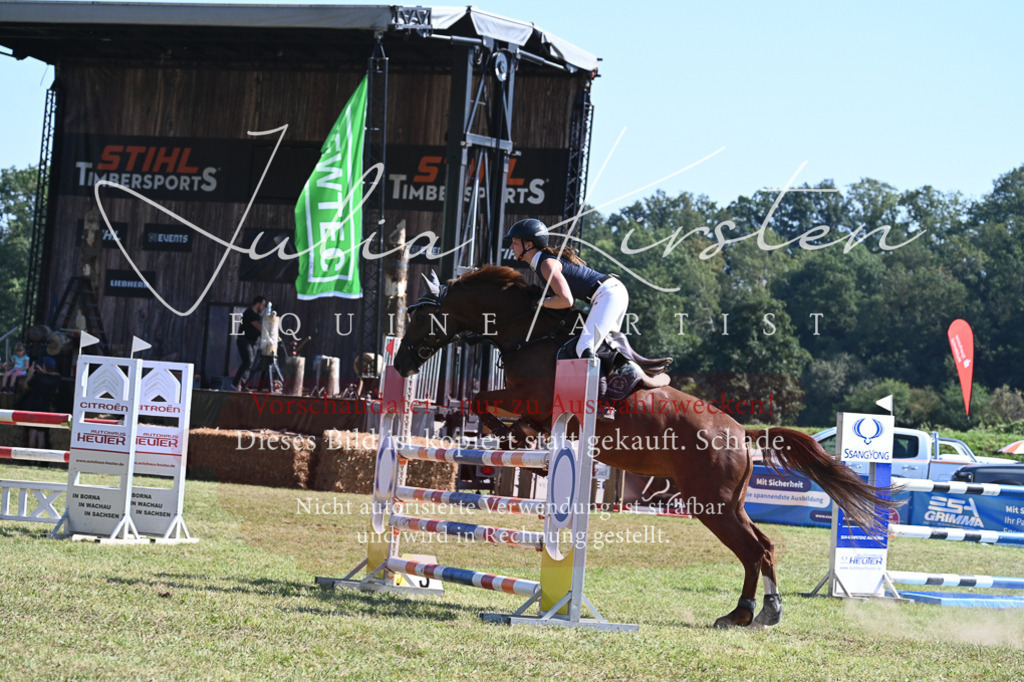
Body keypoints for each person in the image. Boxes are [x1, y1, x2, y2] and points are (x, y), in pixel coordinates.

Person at [504, 218, 628, 359]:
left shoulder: (546, 264)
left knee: (584, 348)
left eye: (514, 242)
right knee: (604, 349)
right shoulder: (543, 262)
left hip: (608, 295)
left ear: (529, 245)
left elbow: (566, 300)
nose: (511, 247)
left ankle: (597, 382)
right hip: (612, 292)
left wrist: (541, 302)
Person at [15, 356, 62, 450]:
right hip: (46, 407)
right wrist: (44, 371)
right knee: (41, 434)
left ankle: (31, 459)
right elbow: (52, 377)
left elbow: (26, 386)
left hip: (34, 406)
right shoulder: (57, 378)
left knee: (32, 432)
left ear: (44, 366)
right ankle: (39, 461)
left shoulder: (38, 377)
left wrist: (31, 373)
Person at [233, 296, 266, 391]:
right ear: (258, 304)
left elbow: (259, 331)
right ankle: (236, 382)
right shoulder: (249, 313)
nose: (263, 308)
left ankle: (243, 383)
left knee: (250, 364)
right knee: (248, 361)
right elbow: (258, 327)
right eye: (263, 305)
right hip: (244, 340)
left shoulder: (257, 316)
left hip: (253, 342)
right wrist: (270, 332)